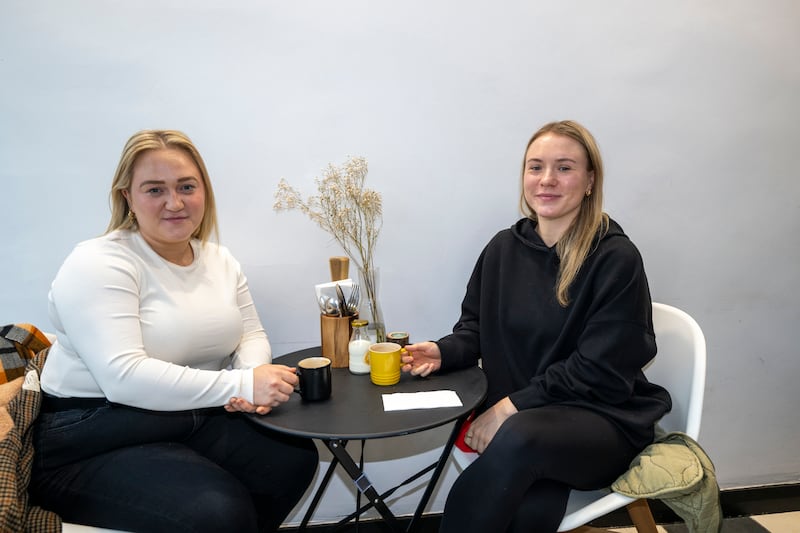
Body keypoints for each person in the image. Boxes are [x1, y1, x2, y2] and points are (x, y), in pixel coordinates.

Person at [30, 130, 318, 533]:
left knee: (291, 458)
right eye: (155, 189)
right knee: (216, 512)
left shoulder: (219, 259)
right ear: (127, 197)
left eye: (186, 186)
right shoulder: (98, 263)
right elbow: (123, 378)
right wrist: (240, 384)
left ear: (204, 191)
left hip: (190, 416)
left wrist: (250, 381)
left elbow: (250, 335)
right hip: (93, 432)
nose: (175, 202)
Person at [402, 120, 672, 532]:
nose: (547, 180)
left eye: (564, 168)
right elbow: (475, 328)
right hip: (530, 427)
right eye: (535, 167)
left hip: (601, 421)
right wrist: (443, 351)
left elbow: (599, 369)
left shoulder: (615, 258)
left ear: (589, 181)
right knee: (527, 511)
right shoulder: (502, 249)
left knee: (521, 437)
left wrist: (509, 409)